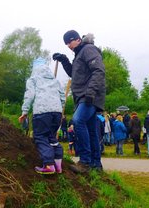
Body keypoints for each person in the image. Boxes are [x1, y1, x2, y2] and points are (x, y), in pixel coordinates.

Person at [53, 30, 106, 173]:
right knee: (91, 129)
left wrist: (90, 92)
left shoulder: (88, 49)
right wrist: (64, 60)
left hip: (89, 95)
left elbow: (99, 71)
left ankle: (85, 161)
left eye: (69, 42)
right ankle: (96, 164)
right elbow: (74, 74)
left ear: (77, 39)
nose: (68, 45)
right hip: (82, 96)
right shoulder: (79, 55)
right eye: (66, 44)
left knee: (77, 121)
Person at [18, 57, 65, 174]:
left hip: (42, 112)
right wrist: (59, 108)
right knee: (51, 137)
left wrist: (24, 111)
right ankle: (58, 165)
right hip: (57, 112)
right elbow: (62, 96)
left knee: (40, 137)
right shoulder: (55, 80)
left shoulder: (33, 79)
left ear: (34, 68)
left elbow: (30, 95)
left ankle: (49, 165)